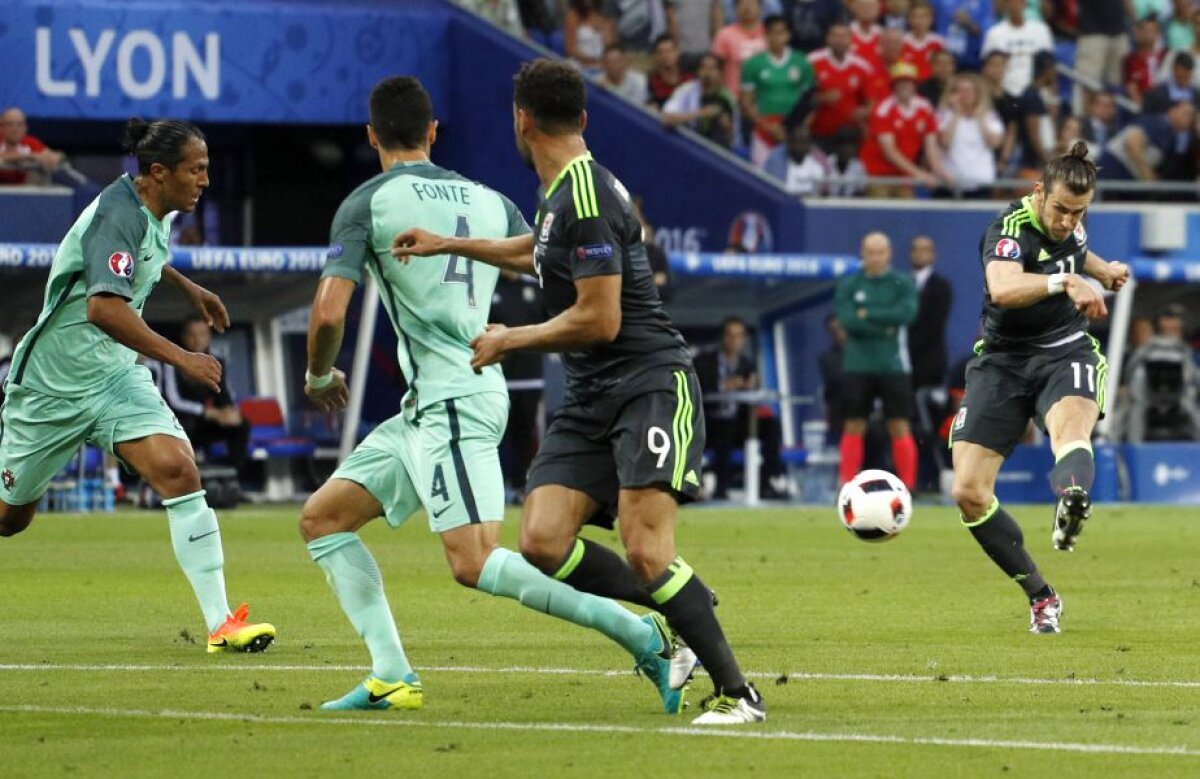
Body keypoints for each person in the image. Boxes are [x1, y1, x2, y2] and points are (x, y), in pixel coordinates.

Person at [299, 76, 696, 713]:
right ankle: (392, 674)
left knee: (475, 561)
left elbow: (327, 314)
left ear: (371, 135)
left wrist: (320, 376)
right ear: (433, 133)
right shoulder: (491, 200)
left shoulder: (368, 202)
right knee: (323, 520)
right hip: (432, 405)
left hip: (456, 398)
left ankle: (639, 630)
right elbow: (538, 259)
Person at [393, 59, 765, 724]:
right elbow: (536, 250)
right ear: (582, 118)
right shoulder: (564, 190)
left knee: (648, 547)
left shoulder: (586, 197)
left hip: (648, 383)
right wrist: (449, 243)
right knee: (542, 538)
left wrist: (511, 339)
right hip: (594, 394)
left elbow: (602, 318)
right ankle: (683, 607)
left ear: (521, 119)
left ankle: (738, 693)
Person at [0, 118, 275, 653]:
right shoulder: (116, 212)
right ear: (158, 172)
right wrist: (183, 359)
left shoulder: (153, 208)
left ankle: (222, 622)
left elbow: (141, 255)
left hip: (115, 378)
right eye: (196, 171)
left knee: (178, 469)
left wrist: (188, 285)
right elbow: (103, 308)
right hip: (52, 387)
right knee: (11, 519)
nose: (204, 181)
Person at [950, 142, 1130, 634]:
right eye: (1061, 210)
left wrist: (1103, 269)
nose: (1068, 220)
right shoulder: (1007, 231)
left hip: (1065, 349)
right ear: (1037, 193)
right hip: (1002, 361)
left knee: (1070, 431)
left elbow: (1074, 250)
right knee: (968, 491)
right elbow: (1004, 288)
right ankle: (1041, 596)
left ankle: (1071, 496)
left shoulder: (1069, 223)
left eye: (1079, 212)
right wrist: (1065, 285)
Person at [834, 232, 919, 491]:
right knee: (854, 423)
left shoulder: (902, 283)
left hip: (893, 365)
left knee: (899, 424)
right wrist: (885, 326)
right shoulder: (849, 285)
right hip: (857, 365)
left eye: (880, 252)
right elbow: (848, 320)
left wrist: (867, 314)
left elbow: (907, 313)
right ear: (862, 252)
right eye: (870, 252)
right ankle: (847, 485)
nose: (875, 257)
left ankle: (907, 486)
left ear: (889, 253)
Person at [694, 317, 786, 499]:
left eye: (739, 336)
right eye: (730, 335)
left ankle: (768, 482)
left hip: (738, 422)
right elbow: (695, 391)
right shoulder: (704, 362)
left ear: (744, 339)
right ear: (722, 337)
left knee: (770, 425)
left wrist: (751, 388)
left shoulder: (747, 364)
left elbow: (752, 398)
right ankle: (720, 488)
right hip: (709, 423)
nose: (734, 340)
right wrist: (722, 385)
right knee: (724, 429)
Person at [156, 316, 251, 475]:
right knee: (187, 424)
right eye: (192, 335)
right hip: (175, 422)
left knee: (241, 425)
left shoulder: (216, 361)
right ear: (184, 337)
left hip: (203, 422)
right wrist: (207, 412)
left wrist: (228, 411)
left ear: (209, 337)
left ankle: (231, 476)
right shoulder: (172, 360)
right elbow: (172, 400)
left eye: (202, 335)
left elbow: (224, 393)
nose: (197, 340)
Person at [490, 270, 546, 502]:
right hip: (496, 378)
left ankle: (524, 486)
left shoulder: (535, 288)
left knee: (525, 434)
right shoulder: (490, 287)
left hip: (530, 377)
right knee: (493, 436)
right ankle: (494, 489)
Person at [859, 61, 950, 195]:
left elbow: (931, 145)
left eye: (908, 82)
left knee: (908, 211)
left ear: (915, 85)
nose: (904, 86)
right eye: (899, 83)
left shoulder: (925, 107)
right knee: (880, 210)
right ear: (893, 86)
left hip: (904, 175)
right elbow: (889, 151)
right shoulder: (883, 110)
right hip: (879, 174)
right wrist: (919, 174)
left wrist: (940, 171)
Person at [740, 15, 816, 165]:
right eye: (772, 33)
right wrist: (766, 126)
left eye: (781, 32)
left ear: (788, 35)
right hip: (765, 129)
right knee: (762, 175)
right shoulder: (753, 64)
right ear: (766, 35)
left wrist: (800, 128)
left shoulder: (801, 62)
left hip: (793, 129)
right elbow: (746, 102)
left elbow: (811, 100)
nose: (776, 37)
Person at [936, 72, 1005, 195]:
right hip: (951, 184)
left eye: (968, 91)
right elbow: (944, 142)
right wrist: (956, 114)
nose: (964, 95)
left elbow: (994, 143)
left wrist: (980, 118)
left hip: (981, 184)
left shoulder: (989, 116)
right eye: (960, 91)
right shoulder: (944, 115)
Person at [808, 22, 876, 146]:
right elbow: (800, 97)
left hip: (850, 135)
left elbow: (871, 102)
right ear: (828, 38)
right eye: (835, 36)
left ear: (850, 39)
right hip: (819, 133)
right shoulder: (812, 61)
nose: (839, 41)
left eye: (843, 37)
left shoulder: (862, 66)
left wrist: (864, 111)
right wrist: (821, 98)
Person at [661, 52, 738, 148]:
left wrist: (727, 129)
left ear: (719, 73)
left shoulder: (727, 98)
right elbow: (666, 119)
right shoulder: (686, 90)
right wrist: (701, 113)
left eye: (712, 68)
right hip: (686, 145)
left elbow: (735, 140)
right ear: (698, 71)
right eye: (704, 68)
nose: (707, 73)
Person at [981, 0, 1054, 97]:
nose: (1015, 5)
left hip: (1035, 91)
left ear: (1024, 4)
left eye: (1018, 2)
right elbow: (987, 68)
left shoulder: (1041, 30)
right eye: (1010, 2)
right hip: (1004, 93)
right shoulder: (994, 33)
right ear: (1005, 5)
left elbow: (1050, 67)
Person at [908, 236, 953, 392]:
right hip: (903, 364)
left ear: (933, 254)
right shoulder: (902, 284)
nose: (919, 254)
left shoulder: (941, 286)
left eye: (925, 250)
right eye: (915, 249)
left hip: (930, 362)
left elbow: (935, 323)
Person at [1073, 0, 1131, 113]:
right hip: (1092, 33)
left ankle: (1112, 123)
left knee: (1116, 86)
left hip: (1119, 32)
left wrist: (1135, 19)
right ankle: (1082, 125)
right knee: (1088, 84)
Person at [712, 0, 768, 96]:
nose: (747, 8)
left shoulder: (770, 34)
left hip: (765, 97)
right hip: (734, 96)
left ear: (760, 7)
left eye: (751, 3)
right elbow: (716, 68)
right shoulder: (724, 35)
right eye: (743, 4)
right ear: (736, 8)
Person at [764, 122, 835, 194]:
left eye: (804, 141)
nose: (800, 146)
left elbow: (824, 195)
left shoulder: (818, 165)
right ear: (789, 142)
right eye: (797, 141)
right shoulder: (776, 160)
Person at [0, 108, 64, 186]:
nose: (15, 129)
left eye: (19, 124)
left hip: (23, 192)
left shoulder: (30, 142)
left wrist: (55, 157)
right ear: (1, 127)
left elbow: (53, 155)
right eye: (10, 124)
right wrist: (28, 156)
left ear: (25, 128)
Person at [1124, 16, 1167, 110]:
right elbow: (1131, 86)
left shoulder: (1165, 55)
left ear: (1158, 34)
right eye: (1145, 30)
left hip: (1165, 101)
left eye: (1152, 30)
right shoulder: (1131, 60)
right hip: (1145, 103)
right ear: (1138, 33)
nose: (1148, 34)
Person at [565, 0, 615, 73]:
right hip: (580, 63)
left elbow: (610, 44)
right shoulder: (573, 17)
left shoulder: (601, 16)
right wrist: (592, 60)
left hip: (602, 62)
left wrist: (607, 32)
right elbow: (571, 49)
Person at [648, 34, 692, 108]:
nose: (665, 56)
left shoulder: (689, 79)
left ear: (677, 52)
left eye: (669, 51)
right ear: (655, 56)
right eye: (660, 52)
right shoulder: (651, 82)